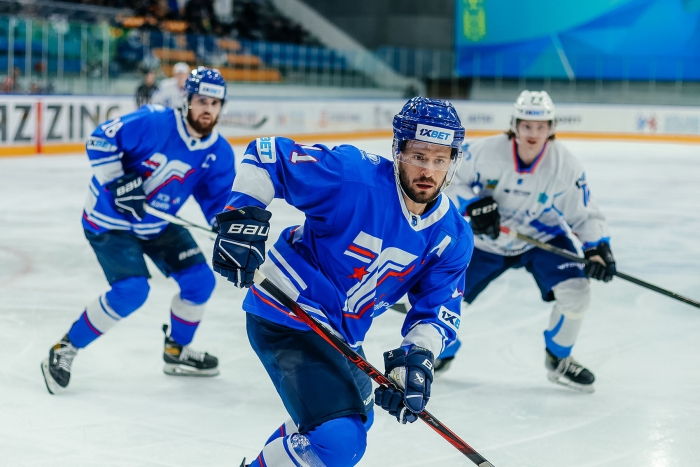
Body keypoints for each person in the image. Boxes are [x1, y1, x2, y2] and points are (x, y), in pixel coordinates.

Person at [212, 97, 473, 467]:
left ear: (452, 161)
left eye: (439, 159)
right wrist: (242, 214)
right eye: (418, 156)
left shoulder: (453, 236)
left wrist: (417, 360)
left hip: (341, 333)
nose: (427, 170)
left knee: (354, 418)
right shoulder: (353, 176)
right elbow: (268, 154)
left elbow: (438, 309)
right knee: (340, 441)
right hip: (287, 312)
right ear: (398, 151)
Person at [41, 67, 235, 395]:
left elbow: (217, 202)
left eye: (215, 103)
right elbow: (101, 138)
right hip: (109, 221)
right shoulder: (155, 121)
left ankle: (176, 350)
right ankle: (64, 349)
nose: (208, 109)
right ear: (187, 100)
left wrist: (229, 228)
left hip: (157, 223)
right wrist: (117, 182)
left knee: (200, 282)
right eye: (201, 100)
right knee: (132, 291)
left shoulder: (219, 153)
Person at [436, 90, 615, 393]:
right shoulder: (484, 151)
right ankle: (440, 350)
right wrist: (471, 205)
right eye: (527, 125)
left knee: (576, 291)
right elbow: (448, 178)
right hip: (486, 240)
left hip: (542, 238)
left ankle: (558, 359)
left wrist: (597, 248)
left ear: (551, 127)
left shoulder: (565, 166)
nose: (533, 133)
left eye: (541, 126)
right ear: (515, 125)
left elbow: (584, 214)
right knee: (442, 289)